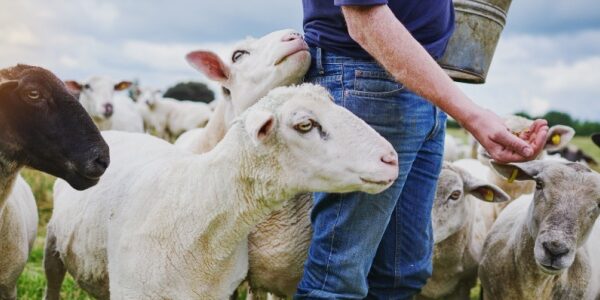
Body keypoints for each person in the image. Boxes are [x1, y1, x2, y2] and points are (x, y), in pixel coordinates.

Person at [296, 1, 549, 299]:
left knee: (401, 273)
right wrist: (471, 115)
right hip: (364, 78)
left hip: (422, 80)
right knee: (337, 279)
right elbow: (364, 16)